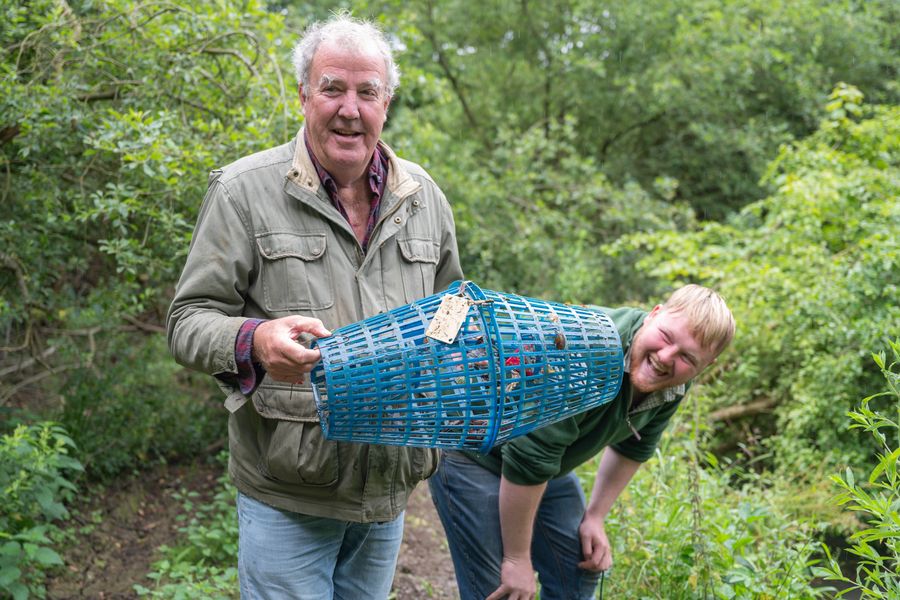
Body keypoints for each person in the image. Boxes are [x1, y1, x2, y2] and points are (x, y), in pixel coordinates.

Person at [166, 14, 462, 599]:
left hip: (389, 486)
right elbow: (187, 321)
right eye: (332, 88)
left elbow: (452, 305)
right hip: (290, 491)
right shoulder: (243, 191)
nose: (349, 108)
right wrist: (254, 341)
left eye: (366, 92)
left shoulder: (423, 197)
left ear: (387, 101)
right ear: (304, 95)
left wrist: (455, 352)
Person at [429, 284, 735, 600]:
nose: (666, 357)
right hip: (474, 452)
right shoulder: (587, 350)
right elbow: (528, 459)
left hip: (546, 467)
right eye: (667, 338)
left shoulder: (673, 383)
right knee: (500, 589)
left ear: (705, 365)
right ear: (653, 315)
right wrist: (516, 558)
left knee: (578, 570)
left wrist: (596, 516)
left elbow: (634, 447)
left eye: (687, 356)